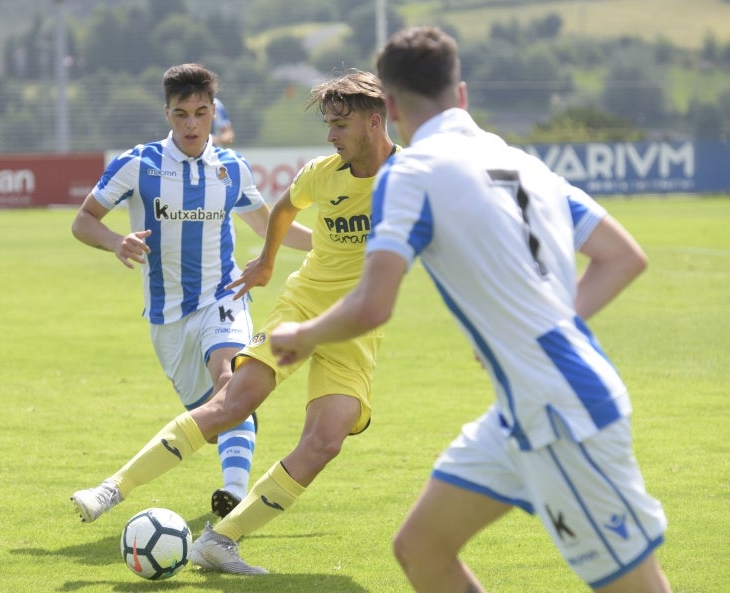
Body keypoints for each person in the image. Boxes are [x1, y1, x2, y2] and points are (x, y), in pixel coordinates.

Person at [269, 26, 672, 593]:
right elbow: (622, 257)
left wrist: (304, 335)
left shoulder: (411, 172)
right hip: (519, 409)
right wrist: (547, 329)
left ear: (390, 108)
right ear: (460, 93)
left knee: (635, 586)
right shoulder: (523, 163)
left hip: (561, 414)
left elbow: (372, 304)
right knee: (421, 549)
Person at [70, 68, 399, 574]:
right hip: (299, 306)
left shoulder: (414, 179)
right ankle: (113, 488)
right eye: (328, 124)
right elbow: (284, 210)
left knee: (325, 441)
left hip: (354, 325)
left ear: (374, 122)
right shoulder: (321, 172)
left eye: (339, 125)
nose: (330, 136)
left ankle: (219, 539)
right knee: (234, 402)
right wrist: (266, 263)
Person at [70, 63, 312, 522]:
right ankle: (227, 468)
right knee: (216, 421)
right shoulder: (138, 164)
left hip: (224, 296)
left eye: (201, 113)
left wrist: (330, 242)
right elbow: (83, 220)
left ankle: (233, 494)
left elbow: (268, 226)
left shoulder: (231, 168)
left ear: (213, 111)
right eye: (181, 114)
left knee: (231, 382)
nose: (191, 125)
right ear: (167, 113)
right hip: (167, 317)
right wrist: (115, 241)